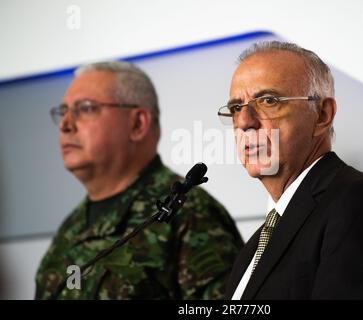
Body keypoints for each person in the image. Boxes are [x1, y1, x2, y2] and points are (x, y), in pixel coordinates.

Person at [219, 41, 363, 299]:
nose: (245, 122)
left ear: (322, 114)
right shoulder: (255, 247)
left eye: (268, 100)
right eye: (236, 108)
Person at [35, 61, 243, 299]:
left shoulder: (187, 213)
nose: (65, 125)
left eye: (85, 108)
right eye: (63, 112)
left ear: (137, 123)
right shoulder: (70, 228)